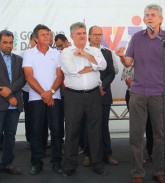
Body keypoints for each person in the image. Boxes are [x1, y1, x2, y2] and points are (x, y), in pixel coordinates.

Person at [116, 4, 165, 183]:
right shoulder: (136, 37)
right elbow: (128, 62)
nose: (149, 17)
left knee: (159, 135)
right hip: (138, 93)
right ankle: (137, 173)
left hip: (159, 92)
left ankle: (159, 170)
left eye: (153, 15)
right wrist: (121, 57)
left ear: (161, 19)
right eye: (147, 15)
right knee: (136, 134)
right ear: (143, 19)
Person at [61, 22, 107, 176]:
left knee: (95, 130)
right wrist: (92, 66)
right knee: (72, 130)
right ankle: (69, 165)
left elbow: (103, 65)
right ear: (72, 36)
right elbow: (72, 71)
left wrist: (87, 55)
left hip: (94, 95)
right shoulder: (66, 52)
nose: (82, 36)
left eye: (83, 33)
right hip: (74, 96)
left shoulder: (94, 50)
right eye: (78, 33)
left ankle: (97, 163)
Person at [0, 30, 25, 181]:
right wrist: (9, 97)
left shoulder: (19, 59)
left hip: (14, 105)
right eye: (5, 42)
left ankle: (7, 163)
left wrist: (11, 92)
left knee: (10, 136)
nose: (8, 45)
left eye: (10, 42)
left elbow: (22, 80)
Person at [23, 24, 64, 175]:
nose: (47, 37)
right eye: (43, 35)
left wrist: (51, 92)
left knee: (57, 131)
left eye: (48, 34)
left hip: (55, 97)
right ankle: (36, 162)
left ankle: (57, 162)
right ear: (36, 38)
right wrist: (44, 94)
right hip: (36, 98)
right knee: (36, 131)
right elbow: (29, 76)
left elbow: (60, 75)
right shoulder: (29, 54)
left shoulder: (57, 53)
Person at [82, 25, 118, 166]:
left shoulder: (107, 53)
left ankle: (107, 154)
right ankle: (88, 155)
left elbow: (111, 72)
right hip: (88, 94)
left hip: (103, 93)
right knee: (88, 125)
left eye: (100, 34)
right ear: (89, 36)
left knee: (103, 125)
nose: (97, 37)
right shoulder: (83, 52)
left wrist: (103, 86)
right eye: (94, 34)